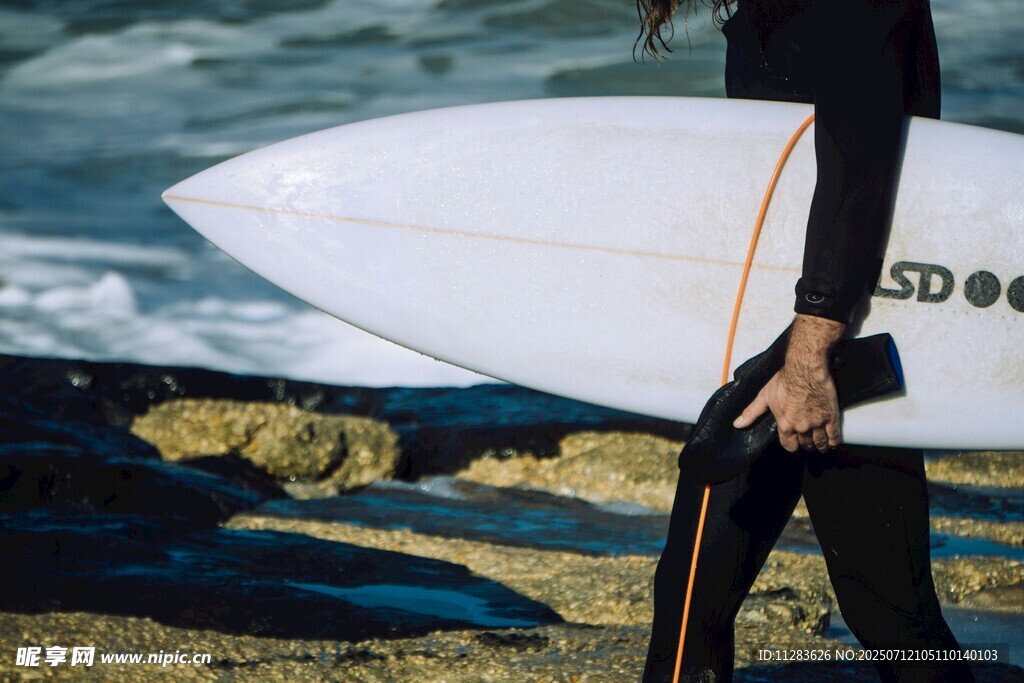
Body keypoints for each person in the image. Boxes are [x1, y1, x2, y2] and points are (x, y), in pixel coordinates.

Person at [634, 1, 976, 681]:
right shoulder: (774, 11)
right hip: (816, 344)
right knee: (889, 615)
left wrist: (808, 356)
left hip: (818, 356)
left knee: (884, 617)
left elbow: (858, 168)